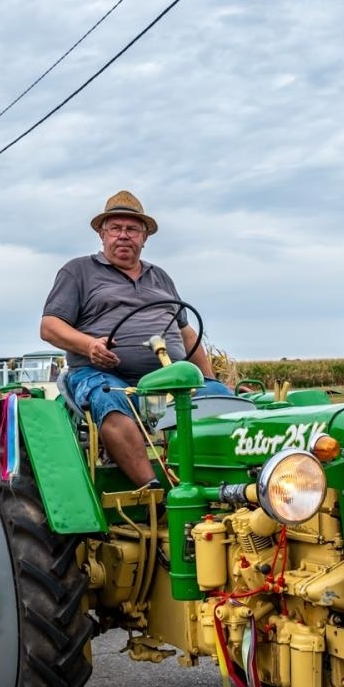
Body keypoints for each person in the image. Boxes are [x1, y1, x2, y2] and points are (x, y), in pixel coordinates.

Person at [40, 190, 235, 485]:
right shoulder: (78, 271)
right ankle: (158, 491)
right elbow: (50, 326)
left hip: (170, 380)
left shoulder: (161, 277)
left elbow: (186, 333)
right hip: (104, 376)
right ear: (102, 234)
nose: (123, 235)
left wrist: (207, 380)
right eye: (115, 228)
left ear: (144, 238)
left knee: (222, 401)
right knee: (110, 401)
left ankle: (227, 487)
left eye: (132, 229)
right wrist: (90, 345)